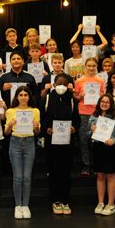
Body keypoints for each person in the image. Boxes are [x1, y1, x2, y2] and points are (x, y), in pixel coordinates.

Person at [41, 74, 80, 215]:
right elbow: (41, 117)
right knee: (53, 171)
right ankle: (55, 201)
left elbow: (76, 118)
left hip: (67, 142)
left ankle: (65, 200)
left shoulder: (72, 99)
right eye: (59, 83)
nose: (62, 86)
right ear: (54, 84)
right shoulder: (47, 98)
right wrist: (47, 129)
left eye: (65, 83)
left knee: (65, 171)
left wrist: (74, 127)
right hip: (52, 142)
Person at [4, 86, 40, 219]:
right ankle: (18, 205)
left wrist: (36, 127)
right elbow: (6, 133)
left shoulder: (35, 111)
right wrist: (9, 125)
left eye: (26, 95)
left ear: (29, 97)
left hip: (30, 142)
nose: (23, 97)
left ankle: (26, 205)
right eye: (21, 95)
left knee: (26, 177)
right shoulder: (11, 111)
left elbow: (37, 132)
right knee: (18, 177)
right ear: (17, 97)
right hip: (15, 143)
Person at [89, 94, 115, 216]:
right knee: (100, 176)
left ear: (111, 104)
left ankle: (111, 204)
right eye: (102, 102)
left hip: (110, 149)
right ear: (99, 103)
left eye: (107, 102)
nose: (104, 104)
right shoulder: (93, 117)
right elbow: (87, 134)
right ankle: (100, 203)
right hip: (98, 148)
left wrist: (114, 141)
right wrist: (92, 131)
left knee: (110, 177)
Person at [73, 57, 105, 176]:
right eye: (89, 66)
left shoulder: (100, 81)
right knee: (83, 140)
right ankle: (86, 166)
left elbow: (103, 98)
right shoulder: (79, 81)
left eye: (93, 66)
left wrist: (101, 94)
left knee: (96, 140)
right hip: (83, 113)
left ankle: (96, 166)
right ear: (85, 67)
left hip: (96, 114)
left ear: (96, 67)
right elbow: (76, 98)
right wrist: (80, 96)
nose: (91, 68)